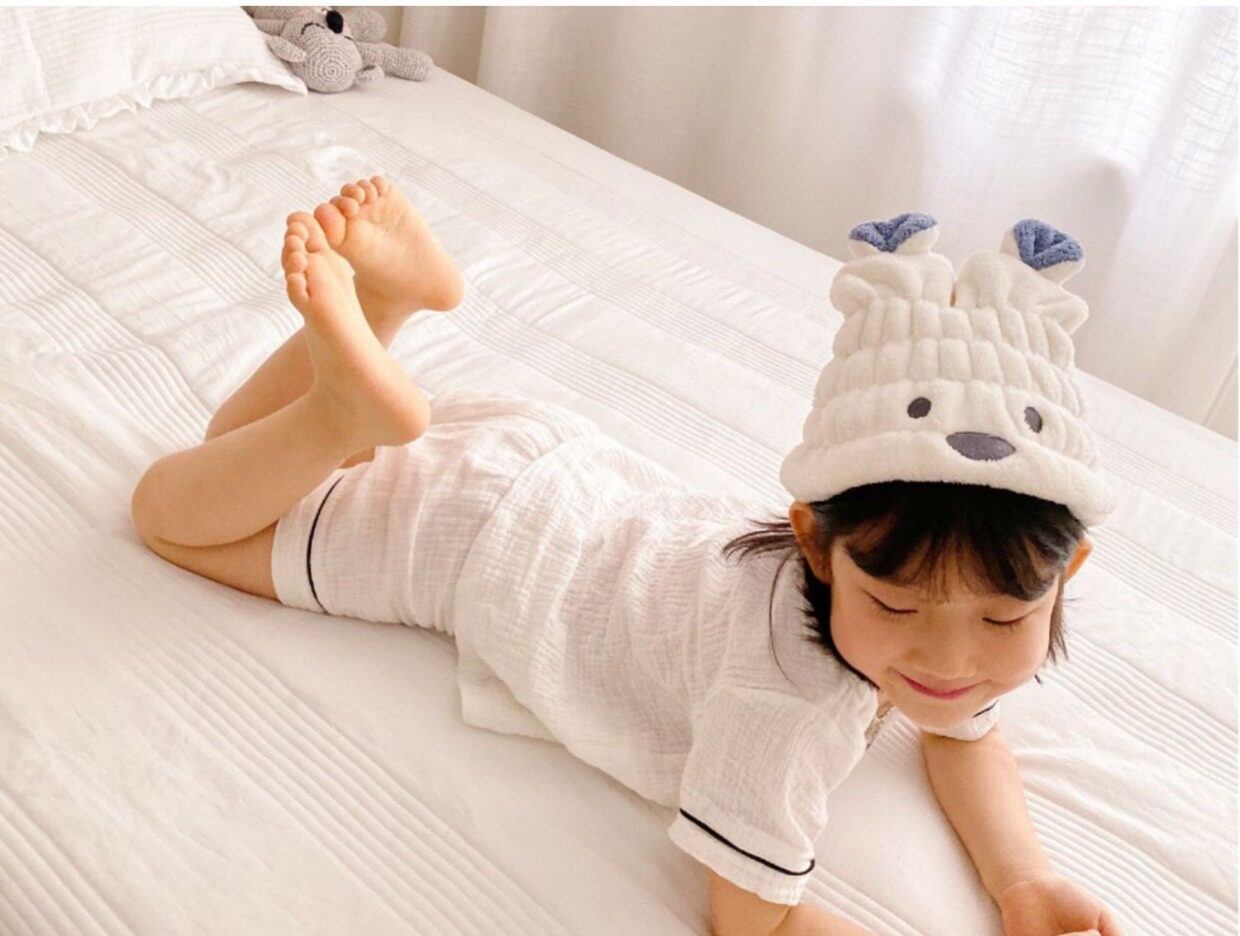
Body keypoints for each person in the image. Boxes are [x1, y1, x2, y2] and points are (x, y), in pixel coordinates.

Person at [130, 181, 1122, 936]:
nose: (949, 661)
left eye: (1003, 619)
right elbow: (758, 922)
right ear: (815, 546)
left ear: (1061, 576)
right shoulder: (785, 707)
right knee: (169, 514)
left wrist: (1023, 882)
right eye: (897, 607)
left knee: (229, 450)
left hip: (550, 457)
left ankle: (381, 322)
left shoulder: (919, 590)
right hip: (472, 541)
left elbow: (962, 735)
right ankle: (343, 412)